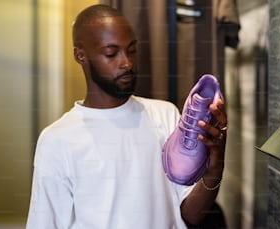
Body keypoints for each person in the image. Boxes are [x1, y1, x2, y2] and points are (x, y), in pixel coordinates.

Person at [26, 4, 227, 229]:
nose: (127, 63)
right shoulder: (57, 139)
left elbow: (190, 215)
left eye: (131, 50)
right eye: (111, 53)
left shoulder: (165, 115)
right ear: (80, 55)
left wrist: (215, 169)